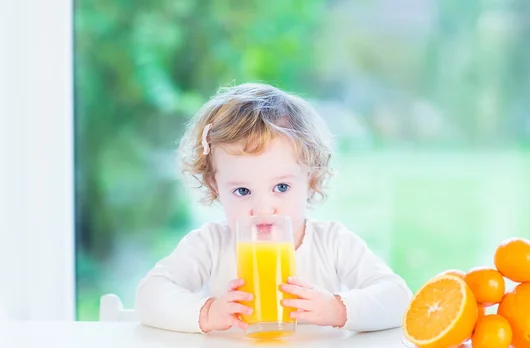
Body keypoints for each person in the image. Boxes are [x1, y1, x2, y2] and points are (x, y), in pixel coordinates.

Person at [135, 82, 412, 334]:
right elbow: (149, 295)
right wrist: (207, 312)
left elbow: (398, 298)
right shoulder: (210, 245)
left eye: (281, 188)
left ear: (311, 179)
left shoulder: (332, 244)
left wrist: (337, 309)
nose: (263, 208)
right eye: (242, 191)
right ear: (215, 186)